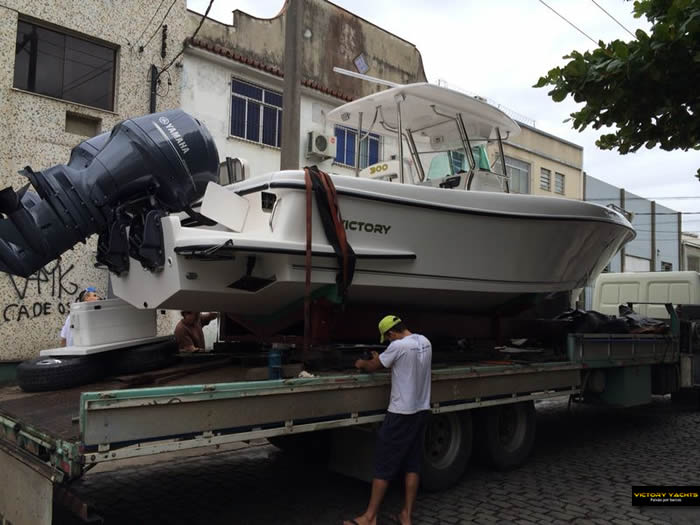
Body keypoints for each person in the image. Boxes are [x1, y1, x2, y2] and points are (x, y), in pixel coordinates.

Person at [345, 315, 432, 525]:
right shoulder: (425, 342)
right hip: (421, 410)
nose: (389, 342)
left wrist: (362, 363)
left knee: (383, 463)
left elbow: (373, 366)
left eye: (388, 338)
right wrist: (383, 357)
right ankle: (406, 515)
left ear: (391, 333)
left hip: (401, 414)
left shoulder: (398, 346)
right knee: (412, 464)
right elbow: (407, 366)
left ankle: (369, 517)